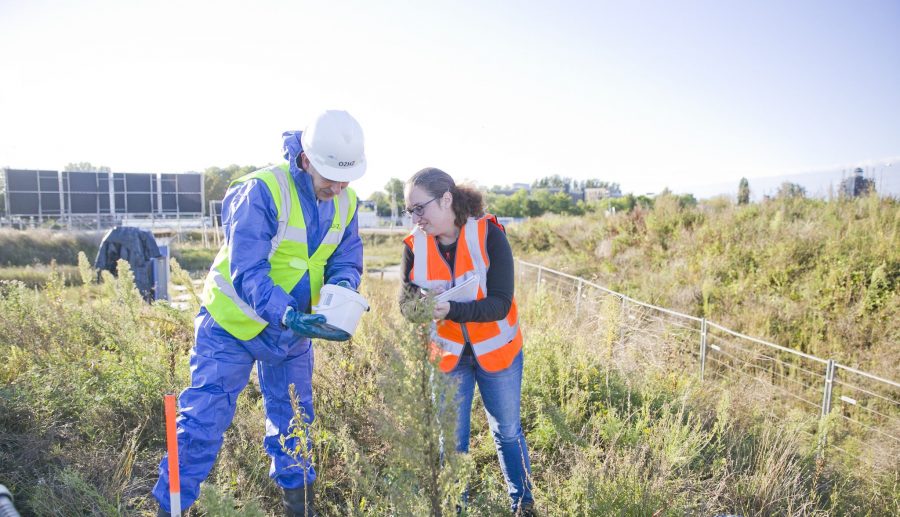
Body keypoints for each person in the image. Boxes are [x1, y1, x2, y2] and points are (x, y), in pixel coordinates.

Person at [153, 110, 366, 517]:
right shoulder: (262, 190)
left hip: (292, 335)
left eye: (346, 178)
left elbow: (345, 257)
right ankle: (170, 508)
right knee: (203, 421)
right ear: (306, 159)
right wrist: (287, 313)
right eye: (330, 177)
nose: (338, 187)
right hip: (231, 327)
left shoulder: (347, 200)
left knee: (295, 423)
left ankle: (298, 508)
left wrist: (341, 291)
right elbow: (247, 269)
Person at [400, 167, 534, 515]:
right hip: (446, 358)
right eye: (409, 210)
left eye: (419, 208)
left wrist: (450, 309)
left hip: (498, 354)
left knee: (507, 432)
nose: (415, 218)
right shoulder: (415, 245)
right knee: (452, 442)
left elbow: (501, 302)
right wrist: (423, 306)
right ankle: (455, 507)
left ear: (446, 199)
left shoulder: (489, 234)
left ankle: (524, 505)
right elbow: (406, 305)